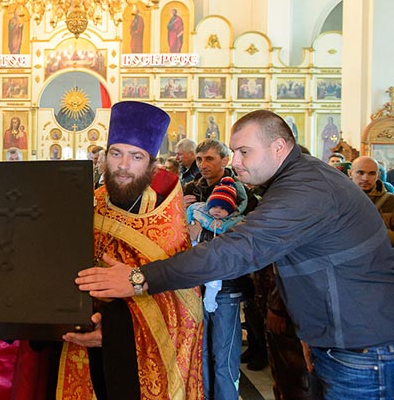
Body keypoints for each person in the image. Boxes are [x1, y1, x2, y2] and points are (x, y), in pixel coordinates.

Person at [75, 110, 394, 399]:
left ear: (278, 147)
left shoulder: (305, 190)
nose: (235, 161)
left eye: (244, 152)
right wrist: (314, 336)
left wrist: (138, 278)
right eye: (234, 151)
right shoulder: (299, 180)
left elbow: (237, 250)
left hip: (361, 350)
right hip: (342, 341)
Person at [62, 101, 203, 400]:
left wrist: (114, 331)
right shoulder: (92, 202)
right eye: (116, 153)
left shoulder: (164, 215)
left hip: (135, 357)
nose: (123, 165)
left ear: (152, 164)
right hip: (85, 340)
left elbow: (180, 301)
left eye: (136, 156)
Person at [187, 175, 249, 400]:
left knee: (224, 354)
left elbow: (234, 249)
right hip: (200, 286)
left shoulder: (240, 222)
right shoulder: (197, 212)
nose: (218, 212)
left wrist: (202, 235)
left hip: (227, 290)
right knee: (200, 351)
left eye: (223, 208)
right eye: (215, 206)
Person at [350, 156, 394, 245]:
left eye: (372, 174)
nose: (365, 178)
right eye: (360, 173)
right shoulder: (338, 199)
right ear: (350, 173)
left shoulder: (390, 201)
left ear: (378, 175)